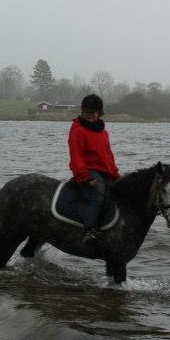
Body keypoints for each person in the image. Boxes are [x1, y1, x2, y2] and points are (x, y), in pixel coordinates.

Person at [68, 93, 120, 245]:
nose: (90, 115)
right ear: (82, 111)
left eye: (93, 112)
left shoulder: (103, 132)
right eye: (87, 112)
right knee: (97, 197)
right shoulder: (78, 131)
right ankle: (88, 231)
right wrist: (85, 177)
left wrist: (116, 174)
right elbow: (76, 157)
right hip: (88, 170)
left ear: (99, 113)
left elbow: (108, 155)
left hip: (104, 170)